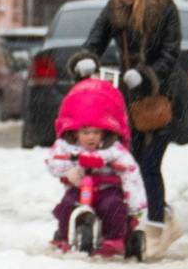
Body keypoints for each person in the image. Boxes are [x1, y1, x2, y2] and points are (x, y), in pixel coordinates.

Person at [70, 0, 186, 260]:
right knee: (132, 163)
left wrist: (146, 75)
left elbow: (171, 52)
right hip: (129, 100)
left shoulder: (164, 9)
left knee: (149, 164)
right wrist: (85, 60)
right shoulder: (115, 8)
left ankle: (155, 228)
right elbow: (95, 39)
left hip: (163, 98)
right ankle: (163, 216)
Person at [46, 79, 147, 256]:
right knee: (68, 205)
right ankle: (64, 234)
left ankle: (114, 238)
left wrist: (135, 204)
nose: (91, 137)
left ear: (105, 132)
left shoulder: (113, 149)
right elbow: (53, 161)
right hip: (80, 188)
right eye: (85, 132)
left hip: (106, 188)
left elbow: (130, 170)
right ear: (76, 132)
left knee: (113, 206)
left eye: (96, 132)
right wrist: (67, 171)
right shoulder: (67, 146)